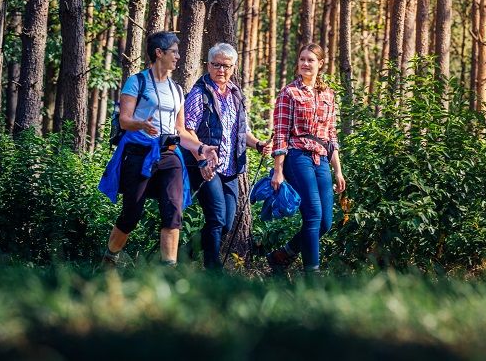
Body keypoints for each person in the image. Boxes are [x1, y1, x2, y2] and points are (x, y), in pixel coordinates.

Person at [100, 31, 219, 266]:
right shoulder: (137, 81)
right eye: (173, 52)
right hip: (139, 153)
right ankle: (109, 258)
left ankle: (169, 270)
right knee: (131, 215)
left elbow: (181, 130)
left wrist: (201, 147)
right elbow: (124, 120)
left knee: (173, 212)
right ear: (159, 53)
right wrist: (140, 124)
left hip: (169, 154)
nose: (178, 56)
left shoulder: (176, 90)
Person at [184, 42, 272, 268]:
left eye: (226, 66)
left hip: (231, 169)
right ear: (208, 64)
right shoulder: (199, 93)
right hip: (207, 166)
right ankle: (213, 269)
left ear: (233, 67)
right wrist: (201, 157)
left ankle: (185, 252)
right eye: (216, 64)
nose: (221, 70)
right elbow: (188, 129)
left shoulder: (235, 93)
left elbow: (243, 132)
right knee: (216, 219)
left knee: (227, 222)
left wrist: (259, 144)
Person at [266, 43, 346, 274]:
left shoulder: (328, 95)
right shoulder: (289, 93)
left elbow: (331, 134)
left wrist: (338, 170)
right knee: (313, 215)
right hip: (297, 156)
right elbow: (280, 133)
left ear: (320, 64)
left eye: (310, 60)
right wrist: (278, 170)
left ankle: (283, 255)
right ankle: (312, 273)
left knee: (325, 222)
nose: (305, 64)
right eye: (302, 59)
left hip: (321, 158)